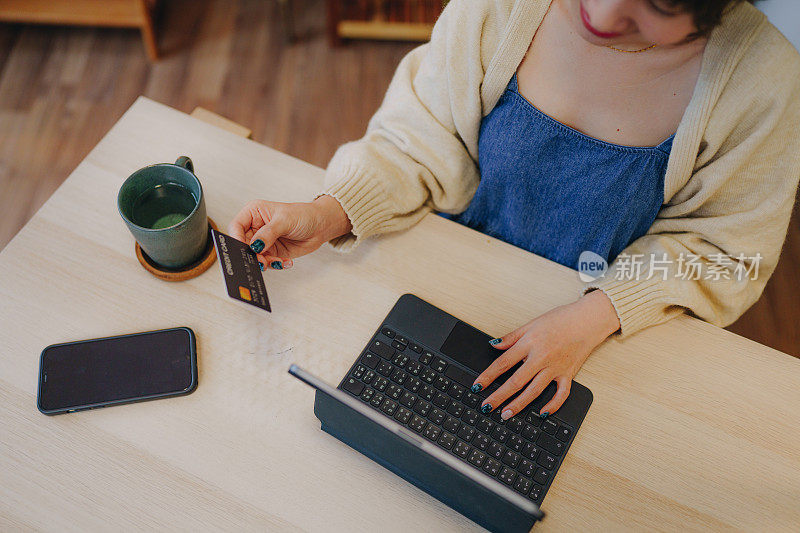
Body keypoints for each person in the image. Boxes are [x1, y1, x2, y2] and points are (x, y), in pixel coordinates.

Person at [230, 0, 800, 420]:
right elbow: (421, 139)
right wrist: (333, 211)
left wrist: (595, 316)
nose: (602, 14)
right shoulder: (500, 10)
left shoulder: (763, 81)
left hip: (604, 328)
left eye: (655, 4)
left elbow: (725, 255)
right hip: (448, 271)